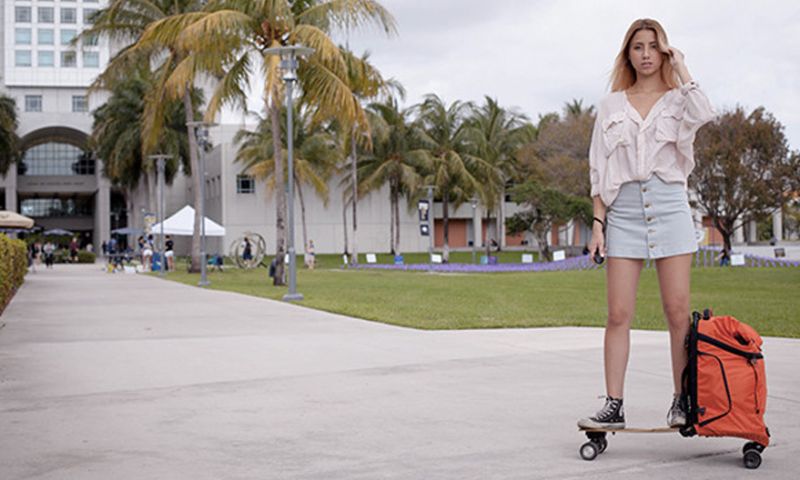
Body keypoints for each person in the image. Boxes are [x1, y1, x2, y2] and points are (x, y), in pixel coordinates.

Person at [578, 18, 716, 430]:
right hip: (623, 212)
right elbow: (597, 170)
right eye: (638, 46)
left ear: (665, 51)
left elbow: (706, 112)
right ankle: (613, 405)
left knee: (677, 312)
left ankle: (681, 400)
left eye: (654, 46)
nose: (646, 54)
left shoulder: (679, 100)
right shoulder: (610, 105)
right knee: (618, 314)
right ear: (628, 54)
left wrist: (683, 68)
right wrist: (598, 225)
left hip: (670, 206)